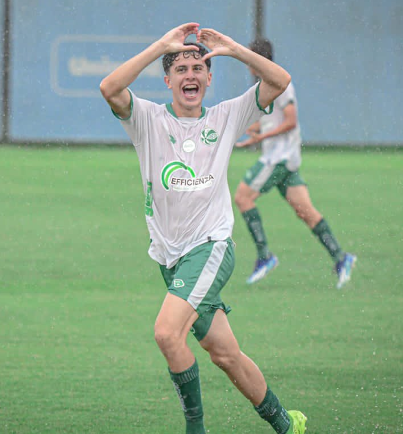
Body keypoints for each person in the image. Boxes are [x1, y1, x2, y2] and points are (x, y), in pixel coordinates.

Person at [100, 23, 306, 434]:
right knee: (224, 354)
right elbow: (110, 88)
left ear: (209, 78)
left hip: (210, 247)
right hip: (171, 257)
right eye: (181, 69)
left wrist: (233, 49)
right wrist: (160, 44)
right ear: (168, 80)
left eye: (198, 68)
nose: (190, 75)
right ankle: (286, 423)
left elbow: (280, 81)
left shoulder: (230, 114)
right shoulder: (147, 118)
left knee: (165, 334)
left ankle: (196, 429)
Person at [234, 38, 356, 288]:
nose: (247, 64)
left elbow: (290, 121)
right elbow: (271, 121)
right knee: (305, 212)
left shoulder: (280, 84)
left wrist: (261, 138)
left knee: (243, 198)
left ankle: (265, 256)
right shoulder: (266, 83)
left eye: (249, 58)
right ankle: (341, 257)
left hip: (278, 159)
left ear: (258, 60)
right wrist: (249, 131)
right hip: (285, 160)